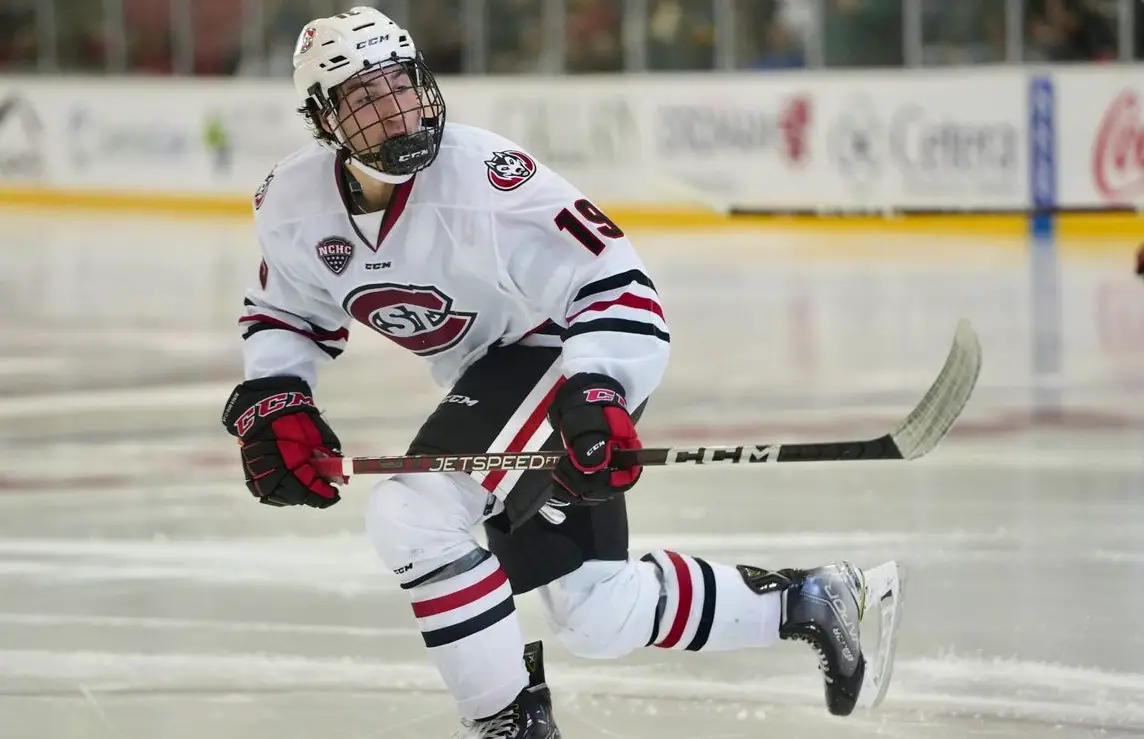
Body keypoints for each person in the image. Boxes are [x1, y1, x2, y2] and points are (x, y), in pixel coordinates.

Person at [219, 7, 902, 738]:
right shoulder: (293, 205)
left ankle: (508, 723)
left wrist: (599, 386)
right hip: (489, 380)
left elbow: (616, 279)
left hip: (559, 358)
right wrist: (277, 397)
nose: (398, 114)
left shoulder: (482, 179)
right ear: (324, 122)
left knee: (413, 512)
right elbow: (283, 313)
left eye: (404, 87)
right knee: (597, 611)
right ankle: (812, 599)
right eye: (365, 101)